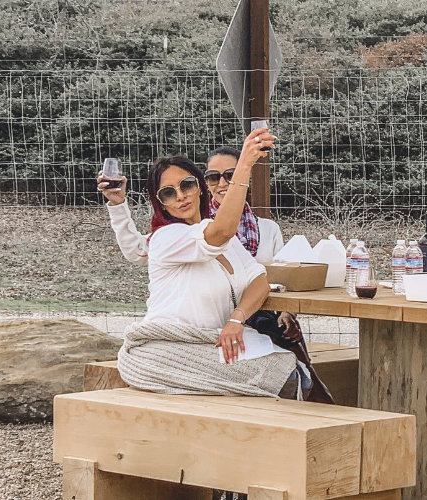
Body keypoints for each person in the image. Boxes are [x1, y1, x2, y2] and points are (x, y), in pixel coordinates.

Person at [115, 128, 306, 399]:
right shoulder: (167, 237)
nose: (181, 196)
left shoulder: (224, 233)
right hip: (170, 343)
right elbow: (220, 233)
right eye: (168, 193)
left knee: (292, 366)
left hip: (214, 339)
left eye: (187, 185)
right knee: (282, 375)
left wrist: (236, 319)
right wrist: (243, 168)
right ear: (162, 205)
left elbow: (259, 281)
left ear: (199, 189)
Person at [98, 147, 298, 336]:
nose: (180, 196)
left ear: (198, 188)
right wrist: (118, 206)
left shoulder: (264, 229)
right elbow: (138, 250)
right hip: (180, 339)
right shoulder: (172, 235)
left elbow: (262, 277)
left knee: (288, 357)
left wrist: (241, 318)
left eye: (230, 175)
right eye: (213, 177)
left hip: (238, 325)